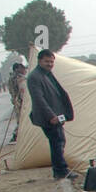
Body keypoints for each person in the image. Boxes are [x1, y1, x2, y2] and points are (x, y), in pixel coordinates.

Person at [27, 51, 76, 181]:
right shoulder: (34, 77)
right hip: (48, 118)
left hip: (56, 115)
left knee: (59, 141)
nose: (50, 64)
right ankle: (60, 171)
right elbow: (39, 99)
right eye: (47, 61)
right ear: (39, 61)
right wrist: (51, 116)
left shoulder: (47, 74)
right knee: (57, 142)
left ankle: (60, 170)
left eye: (51, 61)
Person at [7, 62, 27, 143]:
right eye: (21, 68)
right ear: (16, 69)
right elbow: (21, 90)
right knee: (22, 119)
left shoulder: (13, 77)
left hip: (17, 100)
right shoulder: (17, 77)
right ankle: (15, 135)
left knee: (22, 118)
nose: (23, 70)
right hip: (19, 101)